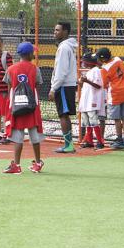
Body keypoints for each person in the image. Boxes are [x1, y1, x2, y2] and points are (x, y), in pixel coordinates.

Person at [2, 42, 45, 174]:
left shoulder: (11, 69)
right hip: (32, 106)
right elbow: (37, 87)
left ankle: (17, 165)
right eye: (33, 52)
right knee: (35, 136)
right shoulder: (35, 69)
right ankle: (38, 163)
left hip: (16, 107)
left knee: (18, 137)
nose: (34, 54)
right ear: (29, 54)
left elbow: (9, 89)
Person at [48, 21, 78, 153]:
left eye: (57, 30)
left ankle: (69, 145)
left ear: (65, 32)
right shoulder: (67, 46)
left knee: (63, 115)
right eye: (55, 30)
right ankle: (69, 144)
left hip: (64, 86)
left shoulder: (64, 47)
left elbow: (61, 70)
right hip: (67, 85)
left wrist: (54, 88)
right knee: (64, 115)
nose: (55, 32)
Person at [96, 47, 124, 150]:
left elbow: (105, 84)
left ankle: (119, 139)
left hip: (114, 94)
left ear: (102, 60)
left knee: (117, 118)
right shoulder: (118, 59)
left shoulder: (104, 68)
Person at [78, 52, 106, 150]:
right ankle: (89, 141)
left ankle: (100, 141)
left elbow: (98, 85)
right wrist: (81, 82)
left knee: (93, 121)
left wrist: (86, 81)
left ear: (90, 62)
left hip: (92, 100)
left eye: (84, 61)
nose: (82, 62)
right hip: (85, 100)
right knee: (86, 122)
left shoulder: (96, 71)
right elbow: (85, 87)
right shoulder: (89, 71)